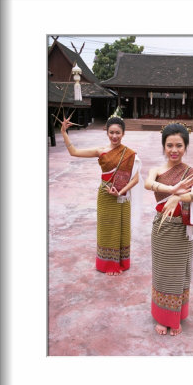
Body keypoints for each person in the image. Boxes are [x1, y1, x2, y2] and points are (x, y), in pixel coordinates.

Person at [61, 115, 142, 275]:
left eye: (118, 133)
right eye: (111, 132)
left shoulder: (130, 154)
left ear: (123, 133)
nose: (114, 136)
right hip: (105, 195)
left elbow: (136, 178)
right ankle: (109, 265)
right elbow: (74, 152)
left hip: (122, 195)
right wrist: (64, 132)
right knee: (107, 228)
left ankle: (122, 262)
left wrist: (121, 190)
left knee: (122, 228)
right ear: (107, 133)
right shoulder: (101, 151)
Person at [145, 123, 193, 336]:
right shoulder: (156, 170)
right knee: (162, 273)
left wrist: (179, 196)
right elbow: (148, 183)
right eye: (169, 145)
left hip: (182, 230)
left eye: (179, 145)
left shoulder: (192, 173)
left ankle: (175, 315)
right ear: (164, 146)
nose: (174, 150)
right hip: (162, 229)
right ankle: (162, 317)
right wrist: (171, 189)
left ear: (185, 147)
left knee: (179, 274)